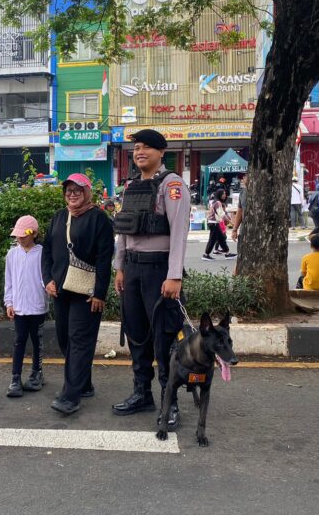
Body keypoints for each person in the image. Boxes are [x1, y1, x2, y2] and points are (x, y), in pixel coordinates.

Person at [112, 129, 190, 430]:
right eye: (136, 148)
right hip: (132, 270)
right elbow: (124, 231)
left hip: (159, 271)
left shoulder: (172, 185)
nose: (140, 152)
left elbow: (179, 232)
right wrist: (120, 267)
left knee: (164, 340)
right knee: (137, 335)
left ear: (161, 152)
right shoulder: (131, 186)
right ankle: (142, 393)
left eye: (146, 147)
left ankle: (170, 402)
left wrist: (174, 276)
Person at [42, 173, 114, 416]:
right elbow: (47, 251)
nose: (72, 194)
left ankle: (70, 396)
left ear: (87, 192)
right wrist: (47, 279)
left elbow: (104, 258)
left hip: (86, 292)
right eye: (69, 190)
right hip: (60, 290)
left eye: (77, 190)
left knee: (79, 341)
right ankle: (84, 384)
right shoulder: (59, 217)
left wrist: (100, 293)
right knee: (65, 339)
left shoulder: (99, 219)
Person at [4, 215, 48, 398]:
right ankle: (15, 378)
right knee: (19, 340)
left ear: (34, 233)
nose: (20, 238)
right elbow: (9, 280)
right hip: (19, 307)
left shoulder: (42, 253)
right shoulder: (12, 254)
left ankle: (37, 372)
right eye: (18, 235)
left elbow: (46, 278)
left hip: (37, 307)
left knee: (37, 341)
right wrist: (9, 302)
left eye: (24, 235)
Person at [202, 188, 236, 261]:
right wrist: (231, 223)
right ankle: (206, 254)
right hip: (214, 223)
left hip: (212, 222)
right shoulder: (218, 203)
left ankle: (227, 253)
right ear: (220, 194)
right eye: (223, 194)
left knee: (221, 238)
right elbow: (222, 215)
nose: (225, 195)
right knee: (213, 239)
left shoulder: (214, 202)